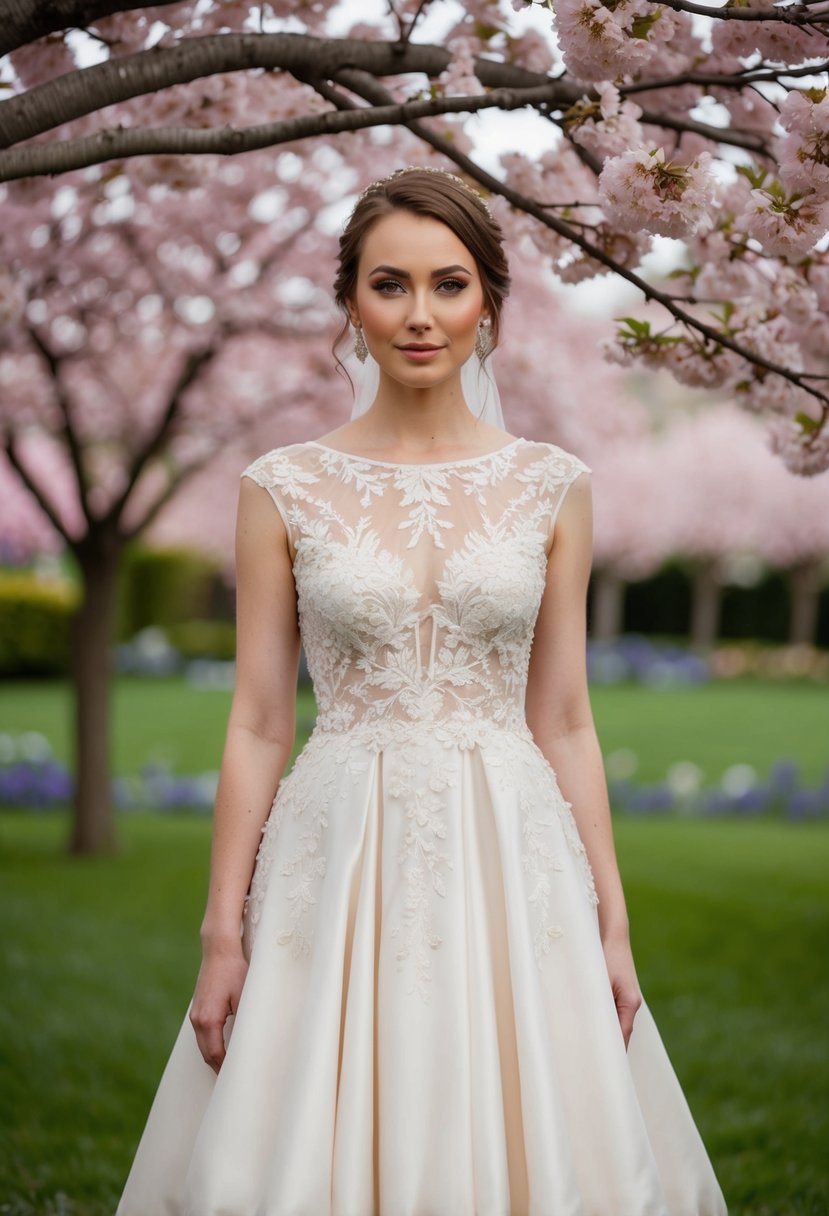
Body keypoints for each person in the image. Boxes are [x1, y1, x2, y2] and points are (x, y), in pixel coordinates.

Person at [117, 167, 727, 1215]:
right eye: (388, 285)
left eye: (447, 284)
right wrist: (223, 932)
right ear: (350, 303)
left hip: (514, 848)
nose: (419, 314)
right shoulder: (281, 486)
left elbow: (567, 718)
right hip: (335, 848)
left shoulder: (553, 484)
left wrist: (613, 929)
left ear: (487, 299)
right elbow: (260, 721)